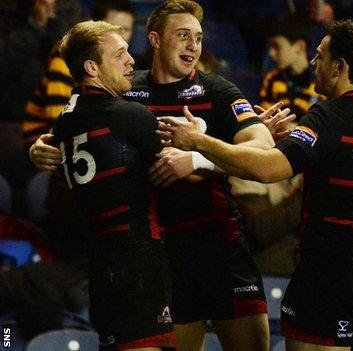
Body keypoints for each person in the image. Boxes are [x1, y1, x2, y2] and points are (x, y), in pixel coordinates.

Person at [30, 1, 278, 350]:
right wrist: (41, 148)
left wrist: (197, 158)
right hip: (163, 258)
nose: (194, 45)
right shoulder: (126, 92)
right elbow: (79, 125)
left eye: (199, 37)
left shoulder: (218, 90)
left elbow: (263, 149)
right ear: (156, 39)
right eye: (183, 35)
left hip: (221, 246)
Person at [157, 19, 353, 351]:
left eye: (321, 56)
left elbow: (268, 170)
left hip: (329, 270)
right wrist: (298, 146)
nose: (315, 64)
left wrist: (199, 143)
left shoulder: (328, 116)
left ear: (340, 67)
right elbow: (340, 154)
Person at [50, 20, 175, 350]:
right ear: (92, 67)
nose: (132, 60)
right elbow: (183, 171)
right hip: (138, 263)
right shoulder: (127, 115)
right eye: (120, 54)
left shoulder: (62, 123)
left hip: (100, 267)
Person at [22, 0, 137, 163]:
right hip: (46, 150)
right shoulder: (64, 62)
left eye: (126, 29)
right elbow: (60, 125)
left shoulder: (130, 66)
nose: (120, 35)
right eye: (113, 27)